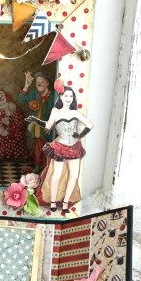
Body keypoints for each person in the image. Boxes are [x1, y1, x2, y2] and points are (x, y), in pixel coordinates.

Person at [26, 86, 93, 214]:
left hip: (74, 147)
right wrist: (35, 120)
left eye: (71, 96)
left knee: (74, 175)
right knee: (56, 174)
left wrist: (80, 135)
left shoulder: (75, 112)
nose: (68, 98)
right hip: (60, 146)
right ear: (61, 97)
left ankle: (65, 202)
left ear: (73, 98)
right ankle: (53, 201)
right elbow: (48, 125)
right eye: (66, 95)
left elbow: (89, 124)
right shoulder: (55, 111)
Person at [17, 71, 54, 168]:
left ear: (47, 83)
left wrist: (51, 124)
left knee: (46, 145)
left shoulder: (53, 96)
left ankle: (44, 166)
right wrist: (26, 86)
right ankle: (39, 165)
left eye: (42, 81)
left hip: (49, 126)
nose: (39, 84)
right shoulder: (34, 93)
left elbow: (57, 111)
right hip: (36, 125)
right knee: (39, 144)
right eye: (37, 82)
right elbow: (21, 100)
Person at [0, 89, 28, 160]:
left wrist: (10, 123)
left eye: (2, 95)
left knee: (17, 133)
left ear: (6, 96)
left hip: (12, 127)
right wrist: (0, 122)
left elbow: (19, 119)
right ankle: (2, 155)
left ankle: (18, 156)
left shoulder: (12, 106)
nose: (0, 97)